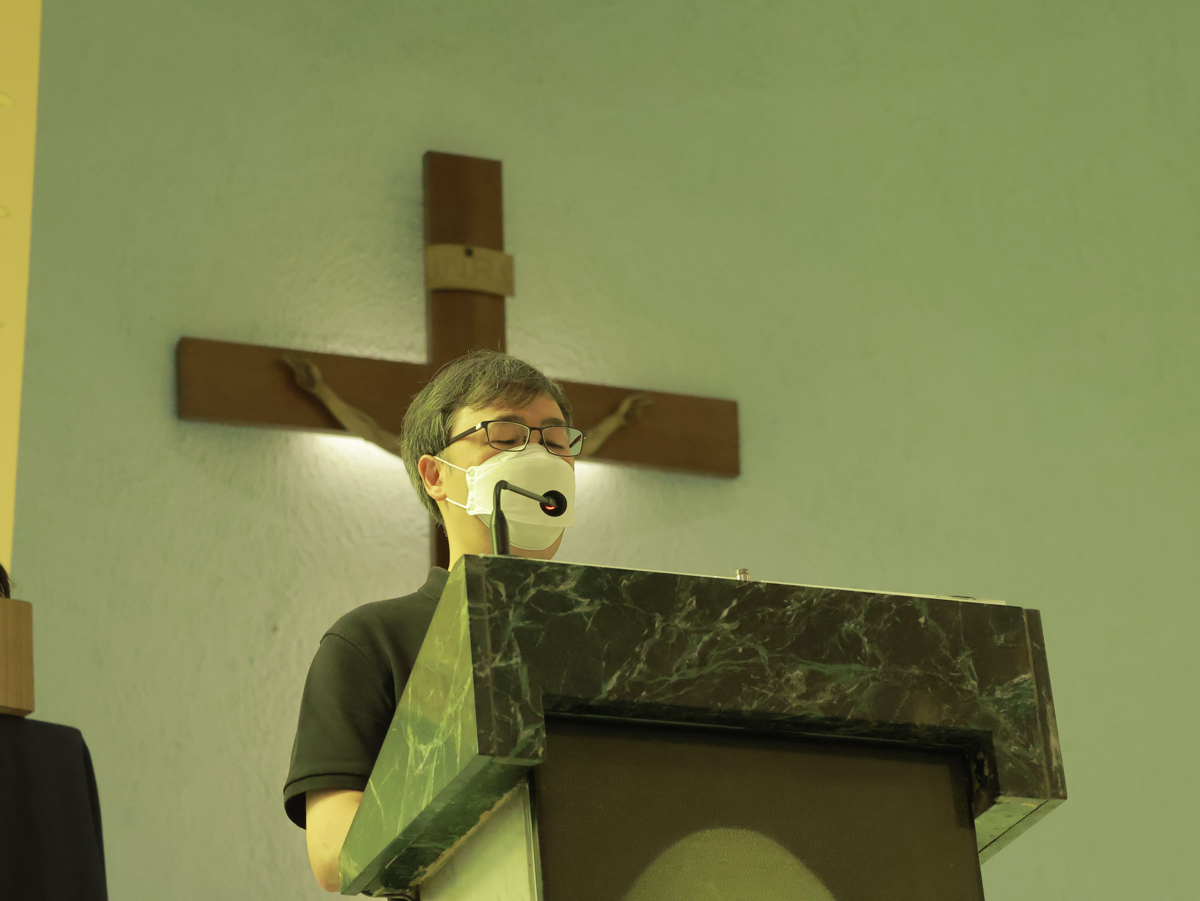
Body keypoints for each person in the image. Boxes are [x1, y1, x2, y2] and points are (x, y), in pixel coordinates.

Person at [283, 350, 586, 892]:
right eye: (505, 436)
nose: (537, 455)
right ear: (436, 475)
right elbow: (333, 854)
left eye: (556, 441)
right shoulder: (373, 641)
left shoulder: (610, 633)